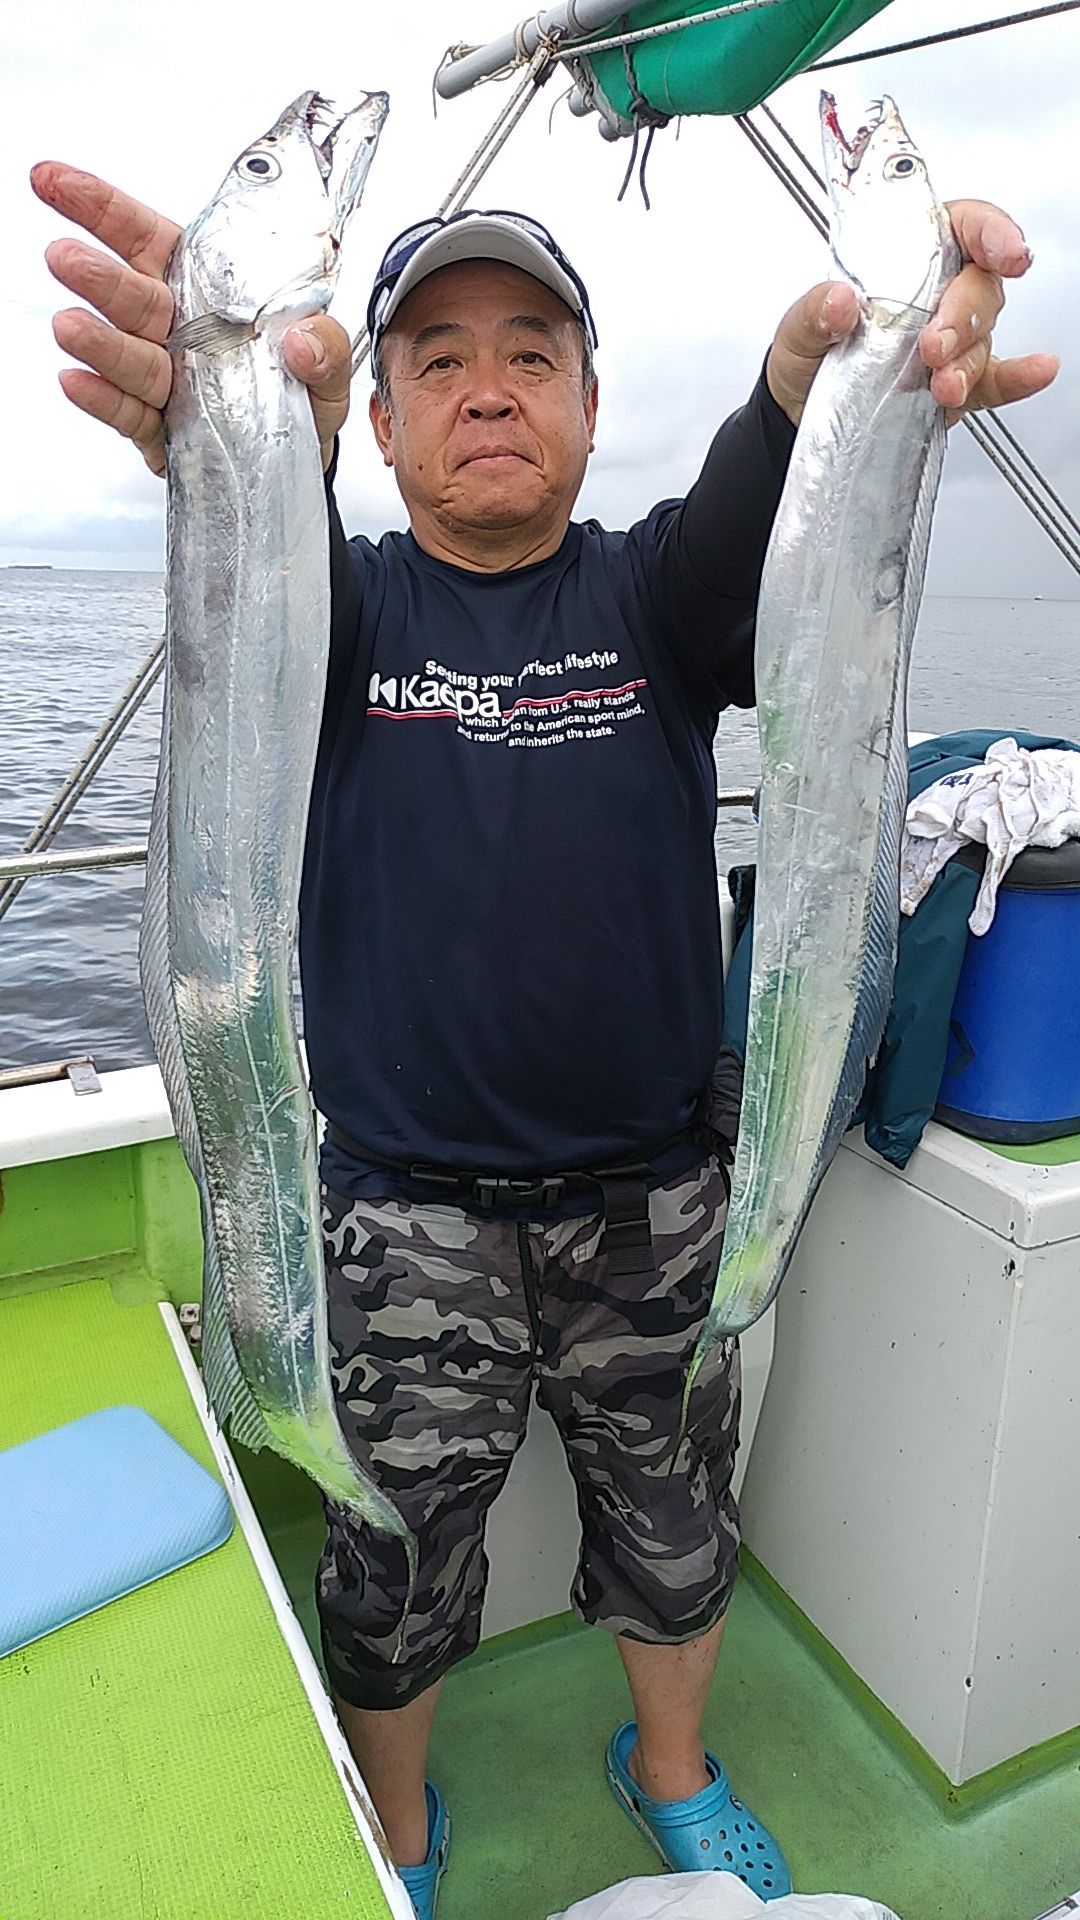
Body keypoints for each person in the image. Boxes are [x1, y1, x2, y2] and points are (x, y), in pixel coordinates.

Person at [32, 155, 1057, 1920]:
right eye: (435, 360)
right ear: (377, 415)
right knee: (395, 1557)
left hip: (655, 1197)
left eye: (531, 352)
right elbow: (256, 568)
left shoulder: (652, 598)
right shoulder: (345, 611)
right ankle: (399, 1827)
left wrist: (818, 385)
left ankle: (672, 1770)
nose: (488, 388)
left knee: (677, 1524)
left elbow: (757, 510)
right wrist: (231, 433)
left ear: (590, 401)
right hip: (399, 1209)